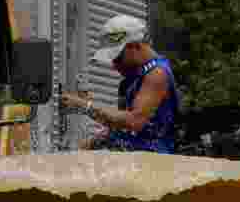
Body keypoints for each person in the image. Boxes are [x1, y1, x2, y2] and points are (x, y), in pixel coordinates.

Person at [59, 14, 179, 154]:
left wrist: (85, 106)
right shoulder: (130, 81)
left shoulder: (157, 74)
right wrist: (79, 150)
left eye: (117, 58)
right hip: (131, 159)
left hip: (152, 165)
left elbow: (134, 122)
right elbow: (119, 128)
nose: (115, 66)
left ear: (135, 46)